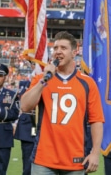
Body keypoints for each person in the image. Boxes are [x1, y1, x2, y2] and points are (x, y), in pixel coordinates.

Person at [20, 31, 105, 175]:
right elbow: (25, 106)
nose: (58, 52)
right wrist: (44, 80)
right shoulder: (41, 79)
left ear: (74, 52)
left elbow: (96, 120)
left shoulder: (87, 83)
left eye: (63, 48)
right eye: (56, 48)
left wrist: (95, 153)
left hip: (76, 159)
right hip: (44, 159)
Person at [14, 80, 36, 175]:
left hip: (46, 125)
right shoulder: (26, 84)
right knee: (28, 166)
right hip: (29, 124)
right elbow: (23, 101)